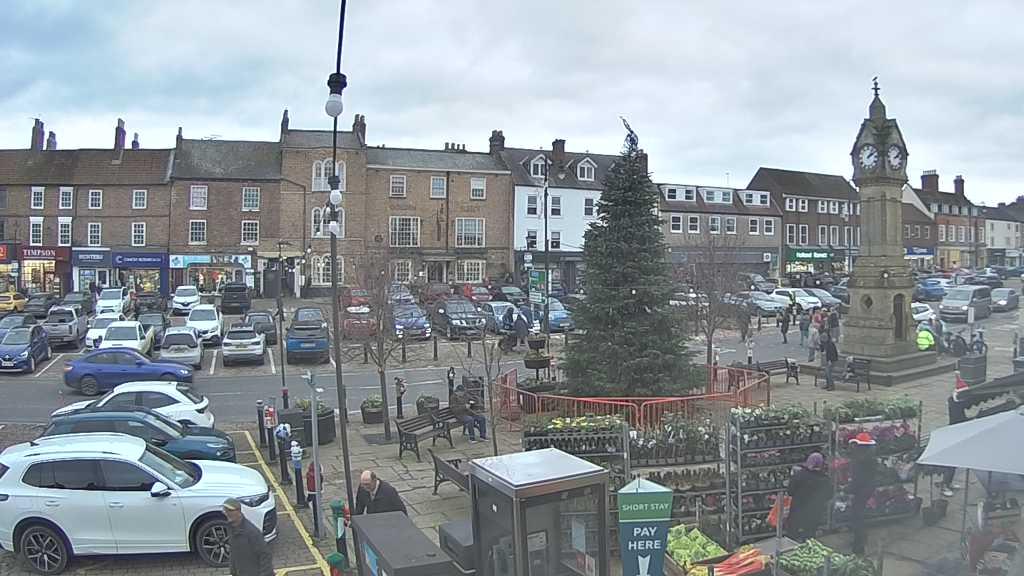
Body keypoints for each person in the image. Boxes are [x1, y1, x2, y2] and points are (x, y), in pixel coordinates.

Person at [786, 452, 834, 541]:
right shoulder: (824, 479)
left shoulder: (799, 475)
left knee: (792, 536)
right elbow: (829, 495)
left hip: (797, 511)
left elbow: (790, 492)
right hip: (814, 512)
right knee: (809, 536)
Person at [222, 498, 274, 576]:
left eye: (230, 510)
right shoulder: (231, 528)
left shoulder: (251, 532)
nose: (227, 513)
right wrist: (233, 571)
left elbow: (265, 555)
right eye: (226, 511)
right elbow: (233, 552)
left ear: (239, 512)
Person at [939, 375, 969, 497]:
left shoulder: (955, 400)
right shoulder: (956, 403)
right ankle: (944, 485)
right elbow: (959, 418)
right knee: (951, 462)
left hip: (956, 431)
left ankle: (948, 482)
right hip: (955, 432)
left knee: (954, 461)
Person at [848, 433, 877, 555]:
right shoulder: (870, 456)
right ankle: (861, 539)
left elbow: (858, 479)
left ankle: (858, 545)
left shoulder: (861, 460)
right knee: (860, 515)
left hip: (861, 491)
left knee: (857, 516)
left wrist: (849, 489)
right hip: (867, 489)